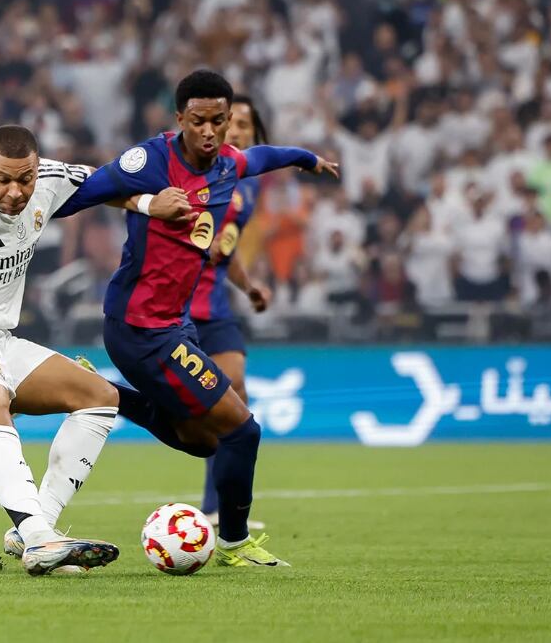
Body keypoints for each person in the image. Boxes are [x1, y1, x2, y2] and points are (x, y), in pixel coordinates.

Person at [53, 70, 339, 568]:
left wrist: (305, 158)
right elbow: (79, 195)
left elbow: (262, 157)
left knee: (203, 440)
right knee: (242, 431)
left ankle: (103, 391)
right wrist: (145, 203)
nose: (210, 131)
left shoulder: (228, 164)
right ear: (180, 118)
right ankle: (234, 543)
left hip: (174, 324)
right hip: (141, 328)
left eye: (218, 121)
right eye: (199, 121)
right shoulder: (150, 161)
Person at [0, 124, 190, 575]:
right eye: (3, 179)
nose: (15, 191)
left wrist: (146, 204)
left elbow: (106, 183)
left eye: (25, 179)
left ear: (37, 168)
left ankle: (37, 530)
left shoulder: (53, 179)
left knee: (99, 396)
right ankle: (39, 537)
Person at [190, 95, 273, 529]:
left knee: (234, 395)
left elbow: (227, 248)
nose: (236, 131)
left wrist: (248, 285)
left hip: (215, 306)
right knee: (197, 407)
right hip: (176, 306)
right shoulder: (196, 170)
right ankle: (103, 389)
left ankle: (218, 507)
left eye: (246, 125)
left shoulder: (250, 186)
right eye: (231, 122)